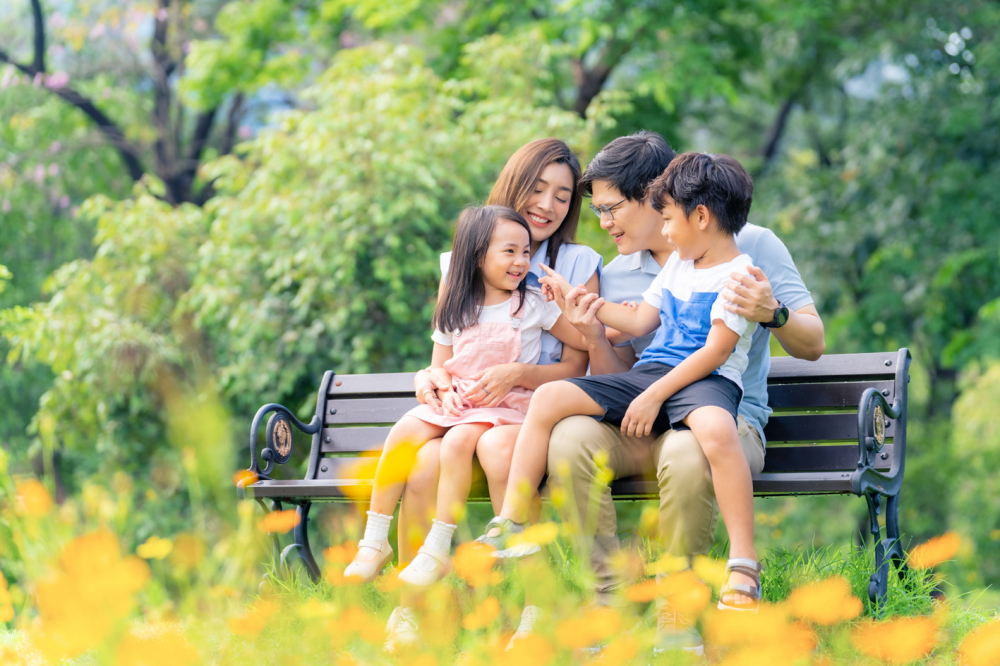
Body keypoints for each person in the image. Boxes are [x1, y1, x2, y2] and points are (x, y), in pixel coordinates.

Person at [503, 131, 824, 653]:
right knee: (570, 438)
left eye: (612, 210)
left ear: (659, 199)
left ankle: (680, 611)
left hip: (724, 418)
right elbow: (622, 371)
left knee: (686, 447)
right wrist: (590, 335)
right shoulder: (621, 269)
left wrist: (774, 313)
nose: (604, 224)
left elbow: (812, 344)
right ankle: (607, 599)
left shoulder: (751, 244)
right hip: (645, 411)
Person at [487, 151, 764, 615]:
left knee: (715, 431)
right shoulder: (679, 263)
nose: (665, 230)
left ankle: (743, 561)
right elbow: (638, 323)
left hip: (707, 380)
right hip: (652, 372)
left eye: (670, 219)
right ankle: (513, 519)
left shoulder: (741, 275)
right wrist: (579, 304)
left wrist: (655, 394)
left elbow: (715, 352)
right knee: (553, 398)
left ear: (700, 217)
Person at [383, 139, 602, 650]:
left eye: (564, 195)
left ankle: (534, 608)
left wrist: (520, 374)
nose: (548, 205)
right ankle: (412, 609)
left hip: (532, 412)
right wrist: (427, 378)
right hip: (467, 410)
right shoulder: (462, 259)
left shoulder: (578, 262)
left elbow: (585, 362)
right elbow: (445, 358)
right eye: (538, 188)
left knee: (497, 449)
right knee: (422, 462)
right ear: (514, 185)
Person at [343, 205, 586, 583]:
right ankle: (374, 541)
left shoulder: (533, 304)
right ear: (476, 255)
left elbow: (580, 350)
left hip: (505, 407)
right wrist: (434, 384)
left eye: (526, 252)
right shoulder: (456, 305)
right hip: (459, 401)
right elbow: (439, 366)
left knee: (456, 442)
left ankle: (438, 545)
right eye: (510, 251)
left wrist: (568, 305)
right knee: (402, 433)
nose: (522, 261)